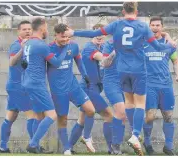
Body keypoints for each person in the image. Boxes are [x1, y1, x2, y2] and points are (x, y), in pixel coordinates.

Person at [65, 2, 176, 155]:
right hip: (135, 71)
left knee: (126, 106)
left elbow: (94, 33)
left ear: (123, 11)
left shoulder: (116, 26)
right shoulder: (142, 27)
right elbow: (157, 46)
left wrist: (74, 32)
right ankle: (135, 136)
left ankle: (115, 145)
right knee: (138, 104)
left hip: (122, 72)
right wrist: (172, 46)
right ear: (137, 11)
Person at [47, 23, 95, 155]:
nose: (65, 40)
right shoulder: (48, 49)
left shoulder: (73, 45)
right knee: (63, 120)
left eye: (67, 37)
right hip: (58, 90)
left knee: (90, 110)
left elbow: (79, 61)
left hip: (73, 86)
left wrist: (85, 76)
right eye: (62, 37)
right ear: (55, 35)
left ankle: (86, 136)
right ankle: (67, 148)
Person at [22, 17, 67, 153]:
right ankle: (33, 144)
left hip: (28, 82)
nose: (47, 31)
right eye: (46, 28)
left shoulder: (28, 43)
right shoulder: (41, 45)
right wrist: (65, 47)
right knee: (52, 115)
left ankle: (36, 147)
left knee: (39, 116)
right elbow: (57, 62)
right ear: (42, 29)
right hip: (36, 84)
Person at [69, 24, 114, 154]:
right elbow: (104, 60)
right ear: (91, 35)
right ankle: (110, 149)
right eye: (96, 33)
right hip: (89, 88)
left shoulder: (102, 47)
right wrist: (118, 50)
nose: (99, 36)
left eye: (101, 34)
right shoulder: (90, 48)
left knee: (82, 119)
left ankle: (69, 148)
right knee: (109, 116)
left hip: (94, 88)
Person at [142, 16, 178, 156]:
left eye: (158, 25)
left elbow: (176, 61)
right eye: (152, 25)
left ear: (162, 27)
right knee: (150, 116)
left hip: (166, 86)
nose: (155, 27)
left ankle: (169, 146)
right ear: (149, 27)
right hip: (149, 85)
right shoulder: (144, 43)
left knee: (168, 116)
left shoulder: (168, 44)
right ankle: (146, 142)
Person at [0, 20, 36, 153]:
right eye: (24, 29)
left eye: (29, 29)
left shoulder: (31, 45)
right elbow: (12, 62)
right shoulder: (16, 45)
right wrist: (22, 49)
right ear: (18, 31)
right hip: (18, 87)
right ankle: (34, 146)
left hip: (15, 86)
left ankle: (2, 147)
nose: (27, 31)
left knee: (11, 116)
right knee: (33, 115)